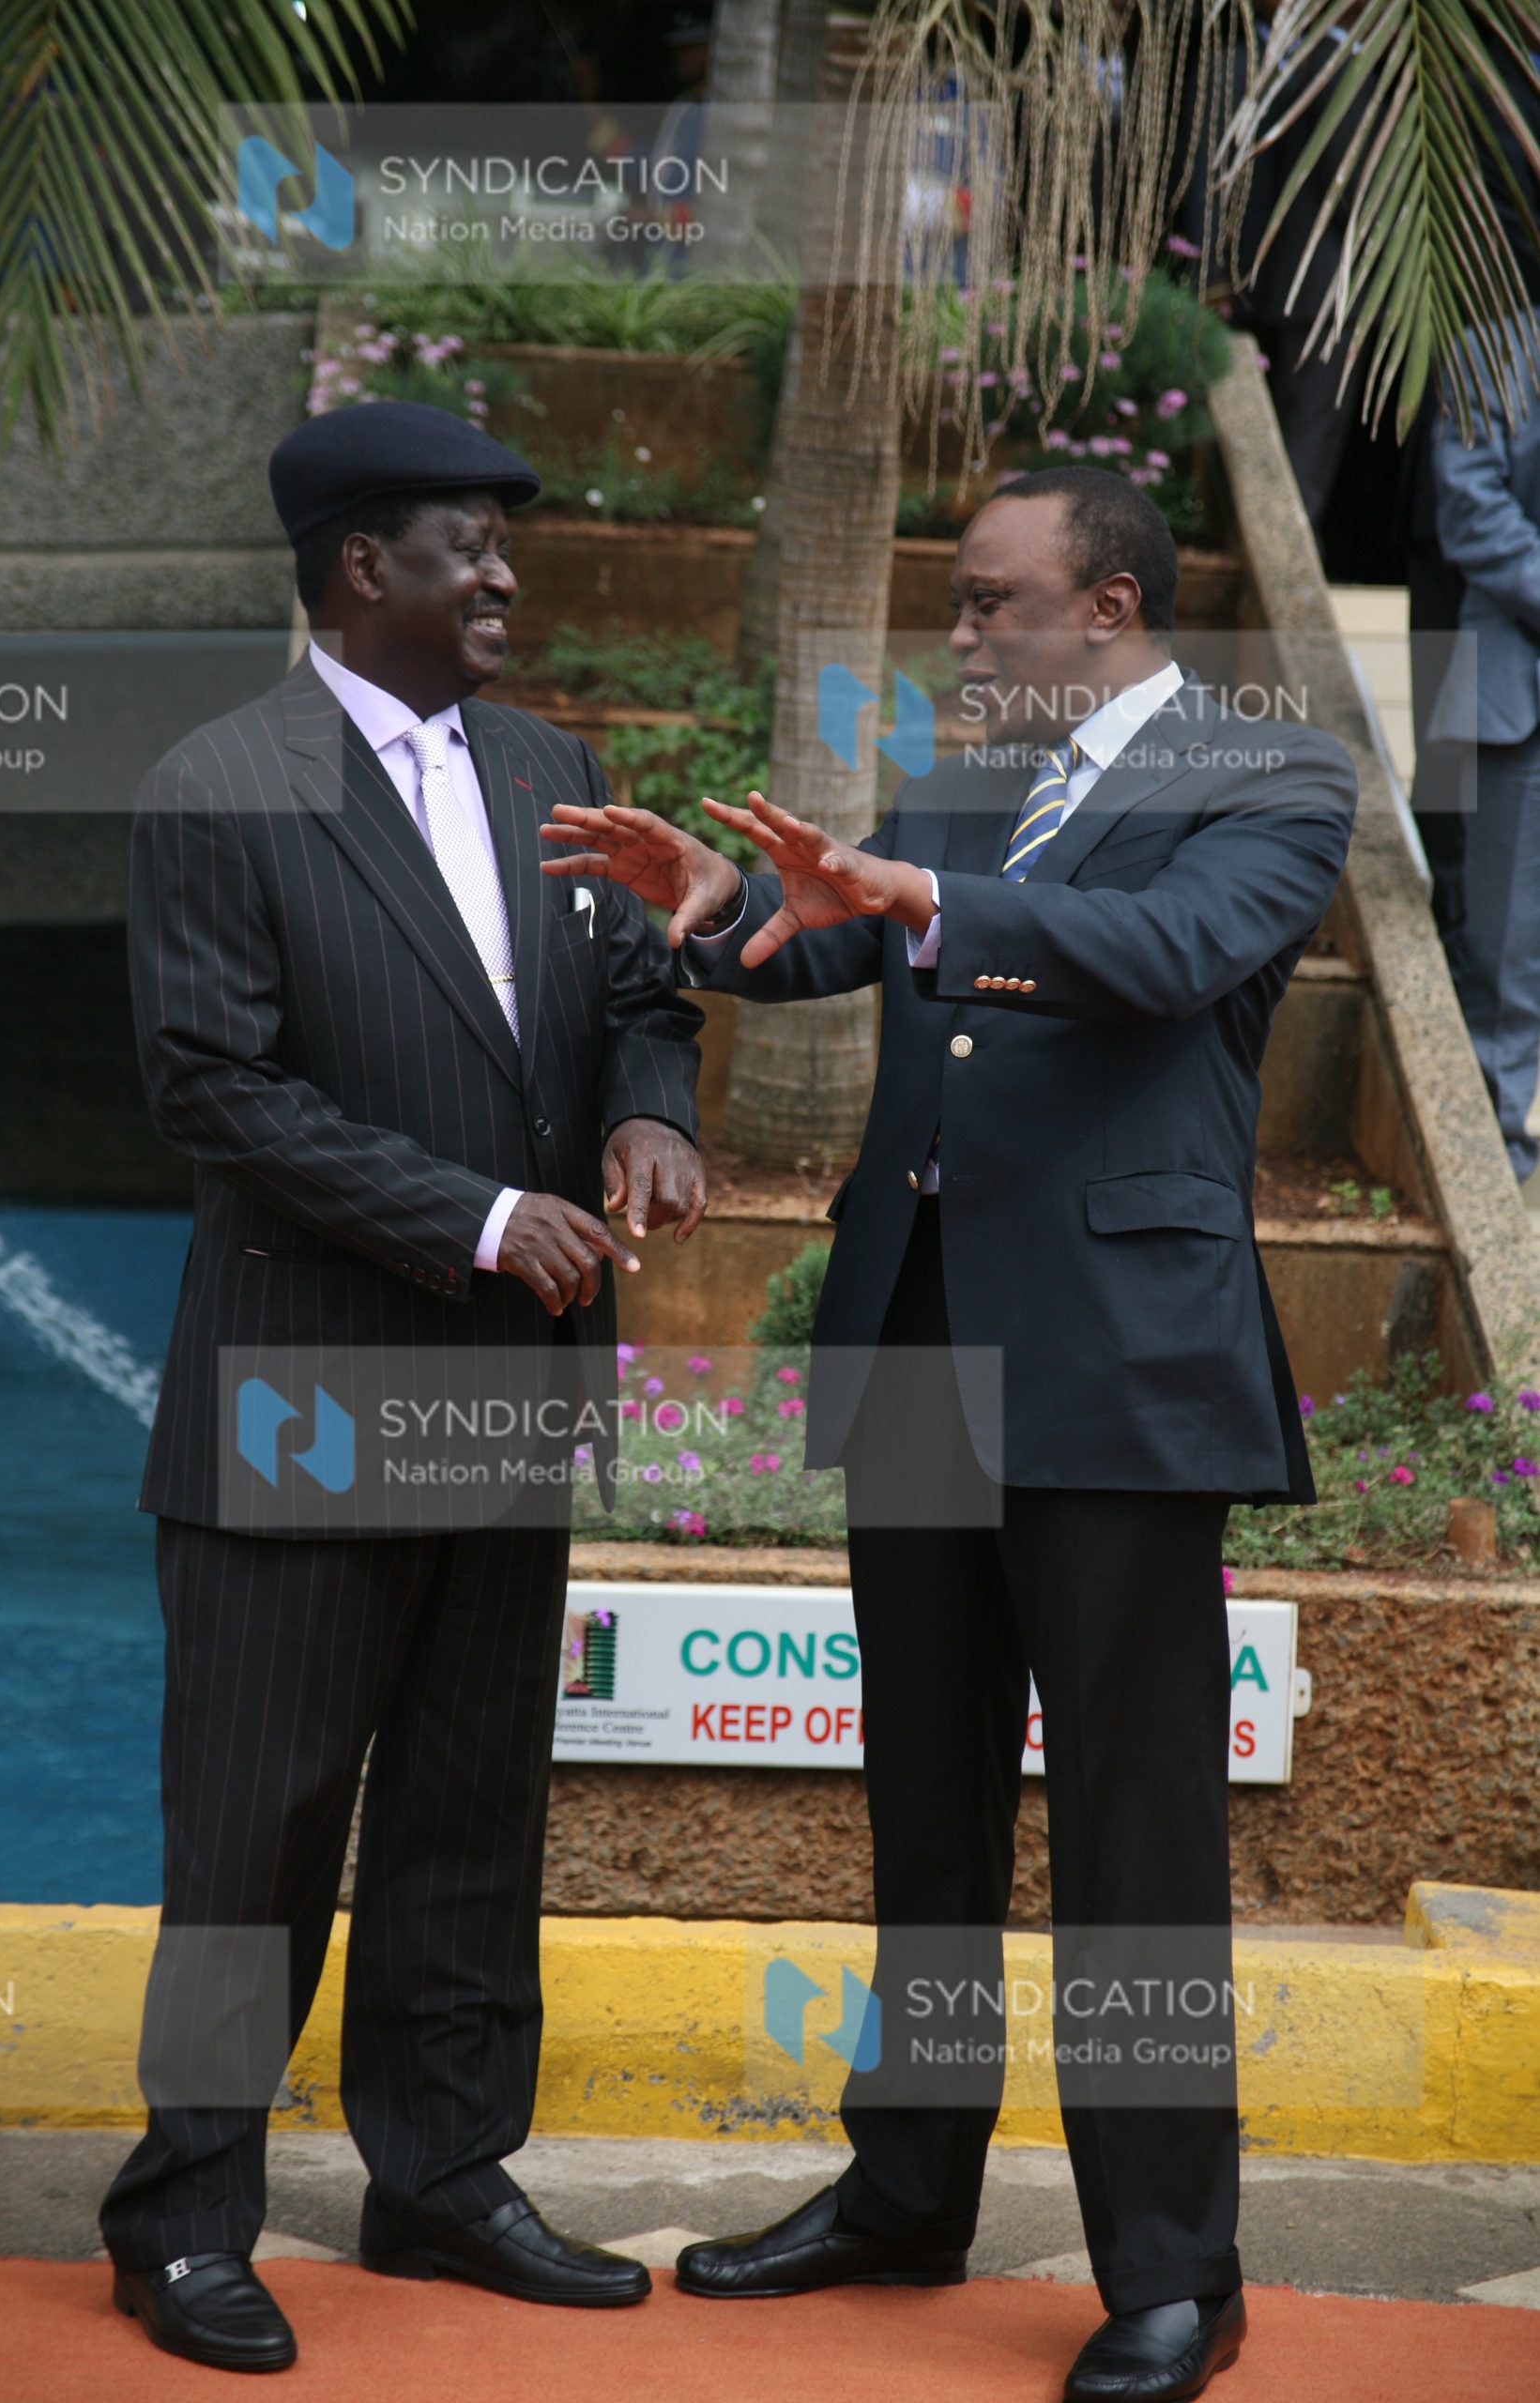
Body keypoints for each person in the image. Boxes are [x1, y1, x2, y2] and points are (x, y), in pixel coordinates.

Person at [541, 465, 1357, 2403]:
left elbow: (1163, 956)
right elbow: (835, 936)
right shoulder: (973, 763)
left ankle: (1175, 2265)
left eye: (994, 602)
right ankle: (905, 2187)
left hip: (1116, 1365)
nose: (964, 635)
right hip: (916, 1340)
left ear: (1116, 602)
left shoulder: (1270, 774)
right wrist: (727, 904)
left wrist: (936, 899)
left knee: (1137, 1842)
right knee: (923, 1804)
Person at [100, 400, 706, 2372]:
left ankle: (442, 2177)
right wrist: (475, 1213)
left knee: (467, 1814)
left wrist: (648, 1118)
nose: (508, 575)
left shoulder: (554, 765)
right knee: (253, 1839)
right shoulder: (221, 780)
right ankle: (185, 2213)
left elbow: (635, 992)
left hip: (508, 1398)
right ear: (364, 569)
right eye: (470, 547)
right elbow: (213, 1082)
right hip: (301, 1403)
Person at [1426, 328, 1540, 1183]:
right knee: (1504, 947)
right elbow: (1470, 513)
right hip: (1516, 690)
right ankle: (1489, 1163)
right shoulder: (1489, 349)